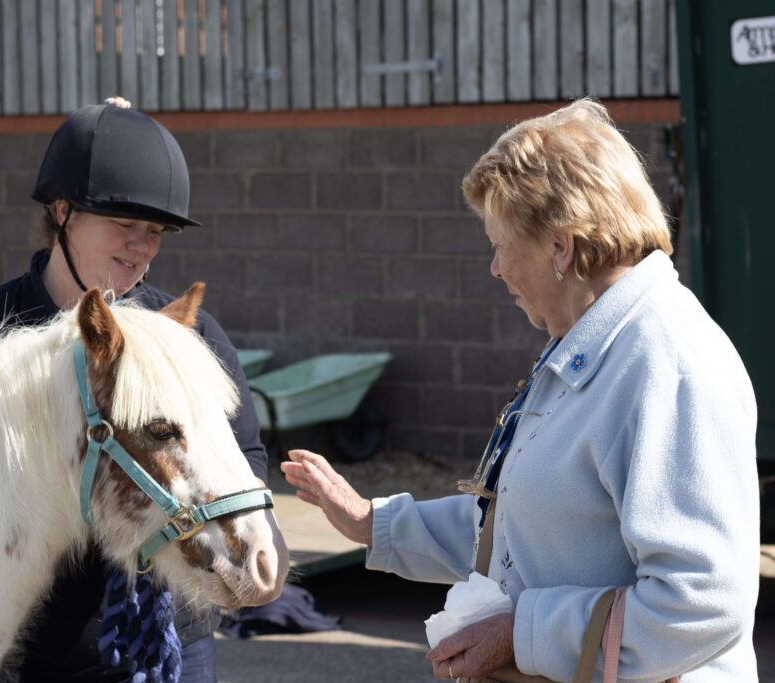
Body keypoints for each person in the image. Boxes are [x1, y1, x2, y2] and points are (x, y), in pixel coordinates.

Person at [281, 98, 759, 681]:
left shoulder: (667, 362)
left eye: (501, 244)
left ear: (561, 246)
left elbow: (700, 603)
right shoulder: (592, 345)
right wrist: (373, 524)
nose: (496, 269)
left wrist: (522, 635)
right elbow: (521, 529)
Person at [0, 98, 268, 682]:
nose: (142, 247)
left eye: (155, 231)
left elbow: (242, 456)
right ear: (62, 212)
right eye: (123, 224)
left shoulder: (187, 332)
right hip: (27, 650)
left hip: (163, 641)